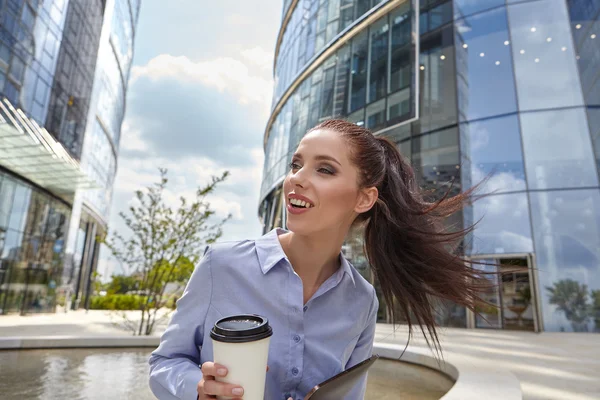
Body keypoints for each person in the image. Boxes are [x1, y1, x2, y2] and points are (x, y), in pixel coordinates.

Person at [148, 119, 487, 400]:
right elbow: (165, 361)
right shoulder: (221, 265)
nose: (296, 178)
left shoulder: (362, 301)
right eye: (296, 165)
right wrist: (197, 388)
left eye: (324, 169)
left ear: (364, 198)